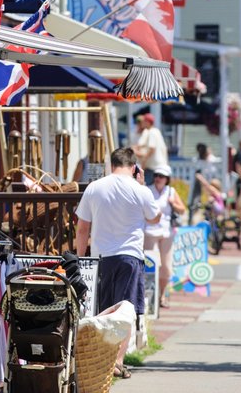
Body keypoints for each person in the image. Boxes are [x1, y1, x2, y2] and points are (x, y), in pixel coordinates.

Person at [75, 147, 160, 376]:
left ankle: (102, 359)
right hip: (130, 256)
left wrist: (81, 259)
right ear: (134, 168)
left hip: (102, 257)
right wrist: (141, 186)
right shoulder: (139, 190)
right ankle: (117, 361)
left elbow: (82, 228)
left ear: (111, 165)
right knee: (126, 311)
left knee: (104, 309)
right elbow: (155, 217)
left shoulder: (95, 187)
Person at [144, 165, 187, 308]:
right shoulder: (148, 190)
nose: (157, 179)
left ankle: (162, 296)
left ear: (167, 179)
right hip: (150, 231)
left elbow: (182, 209)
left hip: (166, 232)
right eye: (156, 175)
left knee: (166, 267)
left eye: (161, 176)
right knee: (151, 265)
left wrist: (173, 203)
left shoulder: (171, 191)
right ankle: (150, 297)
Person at [132, 113, 167, 186]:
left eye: (144, 121)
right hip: (159, 166)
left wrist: (144, 160)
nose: (142, 123)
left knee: (143, 186)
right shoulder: (156, 131)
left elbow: (152, 149)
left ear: (148, 122)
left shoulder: (152, 132)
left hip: (153, 168)